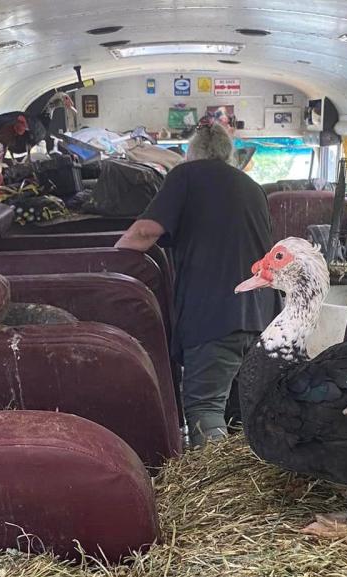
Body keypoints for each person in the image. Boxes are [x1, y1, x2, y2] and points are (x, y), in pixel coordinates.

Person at [116, 120, 282, 448]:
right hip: (264, 318)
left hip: (215, 315)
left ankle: (215, 496)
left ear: (190, 154)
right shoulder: (253, 187)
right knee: (242, 412)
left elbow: (145, 233)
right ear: (228, 154)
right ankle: (251, 491)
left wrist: (104, 268)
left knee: (205, 407)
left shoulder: (186, 176)